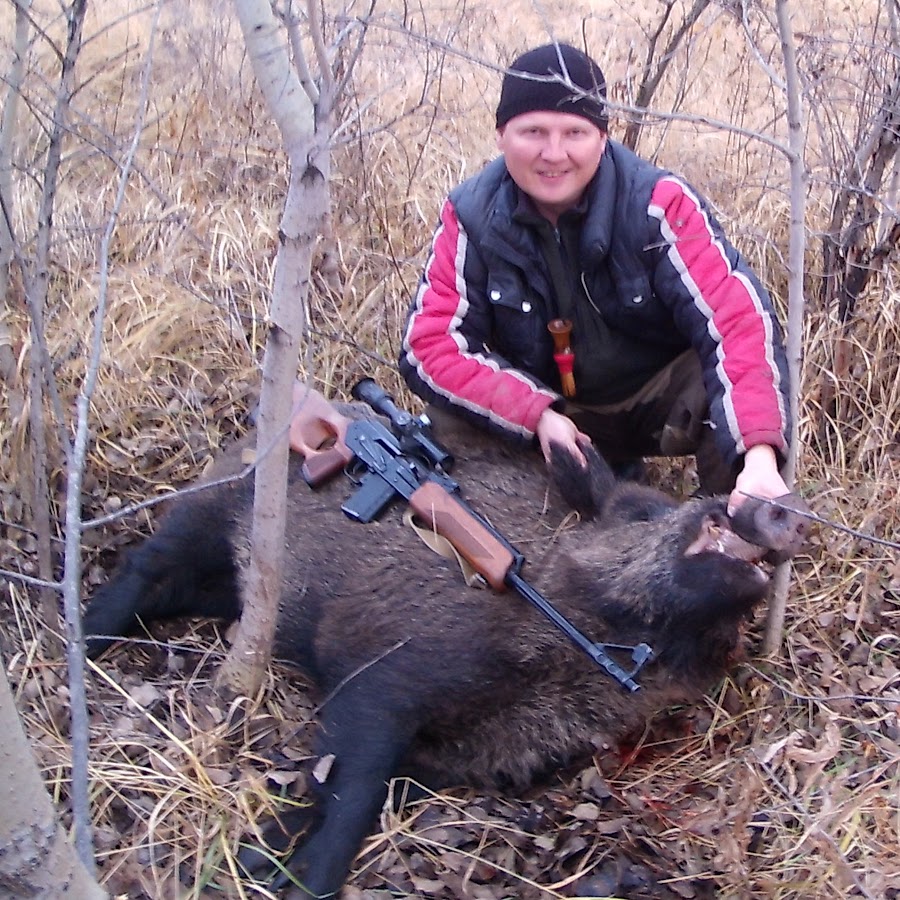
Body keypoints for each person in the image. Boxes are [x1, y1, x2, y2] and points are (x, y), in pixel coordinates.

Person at [398, 41, 791, 513]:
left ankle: (721, 537)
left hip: (654, 402)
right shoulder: (470, 213)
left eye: (575, 132)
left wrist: (760, 459)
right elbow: (430, 344)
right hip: (554, 410)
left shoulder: (659, 203)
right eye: (533, 131)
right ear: (501, 134)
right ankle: (528, 527)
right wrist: (536, 413)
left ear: (603, 138)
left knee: (742, 402)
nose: (554, 153)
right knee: (448, 416)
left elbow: (737, 324)